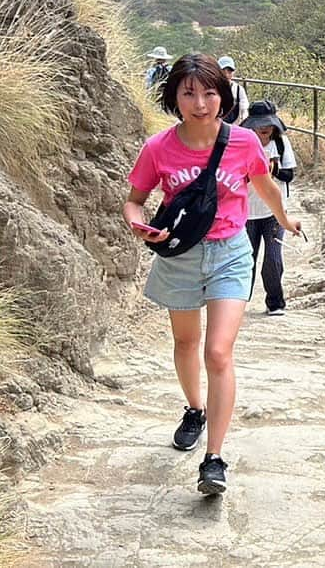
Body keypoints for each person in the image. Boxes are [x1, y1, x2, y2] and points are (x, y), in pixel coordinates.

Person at [123, 54, 302, 496]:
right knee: (185, 342)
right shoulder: (158, 148)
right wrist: (138, 223)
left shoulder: (243, 143)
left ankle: (214, 459)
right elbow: (134, 199)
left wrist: (284, 218)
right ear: (175, 98)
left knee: (218, 352)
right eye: (189, 93)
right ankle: (194, 409)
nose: (200, 102)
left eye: (209, 92)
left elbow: (263, 186)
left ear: (223, 96)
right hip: (180, 253)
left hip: (229, 253)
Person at [243, 101, 297, 315]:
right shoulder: (242, 144)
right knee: (247, 259)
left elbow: (289, 175)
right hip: (246, 211)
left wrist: (270, 170)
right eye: (260, 125)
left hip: (274, 211)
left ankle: (275, 302)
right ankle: (237, 303)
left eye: (268, 125)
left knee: (273, 258)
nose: (264, 129)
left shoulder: (281, 144)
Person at [218, 55, 249, 124]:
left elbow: (244, 110)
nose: (226, 75)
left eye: (229, 71)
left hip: (234, 126)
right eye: (223, 71)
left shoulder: (238, 90)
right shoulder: (213, 88)